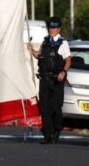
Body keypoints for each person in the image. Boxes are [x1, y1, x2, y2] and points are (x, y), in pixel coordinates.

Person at [27, 16, 71, 144]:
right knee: (44, 107)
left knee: (56, 107)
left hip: (57, 80)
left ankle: (57, 129)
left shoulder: (63, 43)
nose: (52, 30)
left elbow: (68, 60)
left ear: (59, 29)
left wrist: (64, 71)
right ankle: (47, 134)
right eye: (50, 28)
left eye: (54, 28)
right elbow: (39, 56)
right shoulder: (45, 42)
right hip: (45, 79)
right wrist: (31, 50)